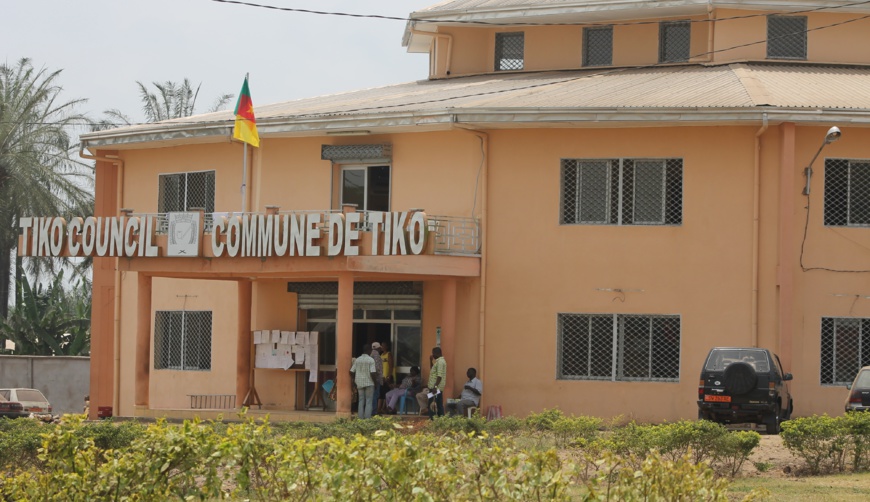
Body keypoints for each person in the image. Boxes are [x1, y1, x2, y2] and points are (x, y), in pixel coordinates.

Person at [416, 346, 447, 419]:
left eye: (433, 353)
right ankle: (441, 420)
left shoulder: (440, 362)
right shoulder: (438, 362)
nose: (432, 355)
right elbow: (433, 370)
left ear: (436, 353)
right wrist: (431, 361)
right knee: (438, 404)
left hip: (436, 388)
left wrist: (435, 387)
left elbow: (439, 376)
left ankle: (432, 420)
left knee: (432, 404)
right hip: (434, 388)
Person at [350, 344, 377, 419]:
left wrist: (355, 378)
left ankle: (360, 418)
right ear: (369, 350)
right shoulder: (371, 360)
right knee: (369, 401)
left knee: (361, 401)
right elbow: (373, 373)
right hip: (369, 383)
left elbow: (351, 371)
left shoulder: (358, 360)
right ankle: (367, 418)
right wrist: (375, 383)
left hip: (359, 383)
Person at [378, 341, 395, 413]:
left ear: (387, 347)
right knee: (381, 393)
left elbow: (391, 366)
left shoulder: (389, 354)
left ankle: (384, 408)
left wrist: (388, 376)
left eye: (383, 345)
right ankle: (380, 408)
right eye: (381, 345)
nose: (382, 347)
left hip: (386, 377)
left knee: (385, 393)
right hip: (381, 377)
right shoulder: (381, 355)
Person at [370, 342, 384, 416]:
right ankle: (374, 412)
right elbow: (377, 369)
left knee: (372, 395)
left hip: (372, 379)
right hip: (376, 379)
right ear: (378, 348)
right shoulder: (377, 356)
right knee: (375, 395)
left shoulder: (371, 355)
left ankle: (372, 411)